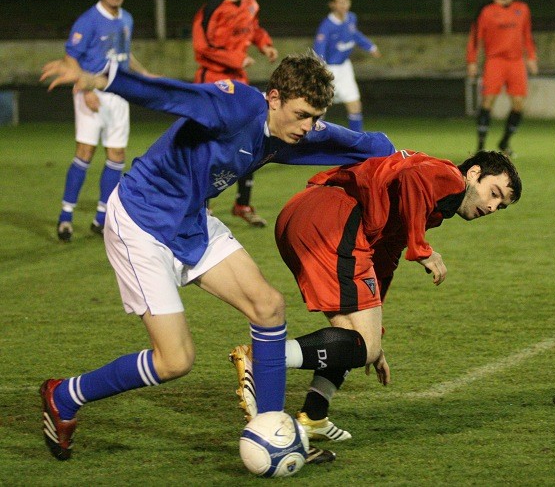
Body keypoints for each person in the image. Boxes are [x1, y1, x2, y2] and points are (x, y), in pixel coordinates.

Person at [38, 50, 396, 461]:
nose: (308, 127)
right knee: (174, 361)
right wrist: (102, 79)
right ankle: (64, 396)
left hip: (191, 221)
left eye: (315, 117)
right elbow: (172, 95)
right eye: (301, 115)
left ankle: (273, 432)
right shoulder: (236, 104)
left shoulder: (288, 131)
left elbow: (361, 144)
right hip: (141, 222)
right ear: (274, 97)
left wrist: (406, 162)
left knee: (268, 306)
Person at [230, 149, 522, 442]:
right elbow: (413, 177)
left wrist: (373, 332)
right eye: (494, 193)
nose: (493, 206)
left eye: (502, 205)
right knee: (362, 344)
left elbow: (385, 256)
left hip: (309, 214)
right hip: (334, 217)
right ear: (474, 174)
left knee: (353, 339)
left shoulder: (434, 204)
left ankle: (313, 416)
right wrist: (420, 247)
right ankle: (264, 357)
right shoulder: (449, 177)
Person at [55, 0, 155, 242]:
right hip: (91, 93)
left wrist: (144, 74)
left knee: (117, 155)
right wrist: (85, 89)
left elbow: (124, 54)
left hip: (118, 93)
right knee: (85, 152)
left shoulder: (127, 18)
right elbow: (70, 59)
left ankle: (101, 218)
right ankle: (66, 217)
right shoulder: (88, 20)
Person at [192, 0, 278, 228]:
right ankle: (201, 206)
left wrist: (265, 44)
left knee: (251, 138)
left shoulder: (250, 2)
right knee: (209, 144)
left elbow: (254, 29)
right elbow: (202, 47)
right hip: (213, 81)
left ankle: (242, 204)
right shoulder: (211, 10)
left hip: (239, 82)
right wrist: (236, 59)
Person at [466, 0, 538, 157]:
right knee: (487, 102)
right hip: (495, 61)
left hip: (516, 62)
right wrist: (472, 61)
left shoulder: (522, 8)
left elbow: (527, 35)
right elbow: (475, 37)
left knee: (519, 104)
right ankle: (481, 146)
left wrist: (532, 57)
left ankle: (504, 142)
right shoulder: (486, 10)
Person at [313, 0, 381, 133]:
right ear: (332, 4)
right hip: (329, 69)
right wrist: (320, 70)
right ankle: (311, 139)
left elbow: (354, 34)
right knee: (320, 108)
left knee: (355, 105)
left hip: (345, 68)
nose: (344, 5)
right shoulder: (326, 26)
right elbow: (319, 49)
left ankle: (357, 140)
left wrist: (370, 46)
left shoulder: (351, 18)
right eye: (340, 2)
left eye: (346, 2)